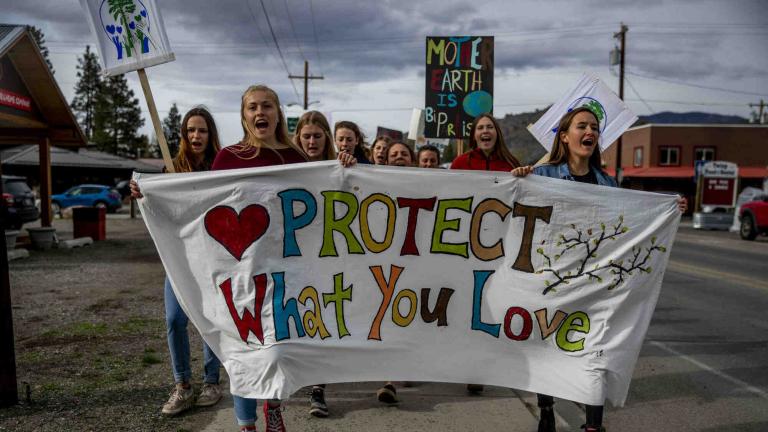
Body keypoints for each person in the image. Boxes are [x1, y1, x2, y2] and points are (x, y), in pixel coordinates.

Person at [514, 106, 687, 432]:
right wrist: (522, 180)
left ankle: (593, 425)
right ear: (564, 136)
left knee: (595, 353)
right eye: (582, 126)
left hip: (595, 284)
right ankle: (547, 408)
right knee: (550, 348)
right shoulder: (544, 176)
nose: (590, 131)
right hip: (553, 282)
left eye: (594, 126)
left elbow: (629, 225)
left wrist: (669, 209)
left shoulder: (607, 182)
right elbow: (519, 214)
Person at [130, 106, 224, 416]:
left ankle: (212, 381)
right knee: (174, 320)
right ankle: (183, 385)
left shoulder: (221, 169)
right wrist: (141, 193)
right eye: (190, 130)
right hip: (179, 260)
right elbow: (158, 210)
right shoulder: (171, 171)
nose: (196, 136)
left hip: (211, 259)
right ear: (183, 135)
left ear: (211, 135)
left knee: (209, 319)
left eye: (202, 130)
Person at [293, 110, 355, 418]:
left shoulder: (338, 167)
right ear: (298, 138)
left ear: (326, 139)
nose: (312, 141)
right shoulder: (285, 166)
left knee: (322, 320)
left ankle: (317, 389)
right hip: (291, 255)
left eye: (318, 136)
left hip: (327, 256)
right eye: (306, 136)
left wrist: (353, 171)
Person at [450, 113, 520, 171]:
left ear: (497, 133)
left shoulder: (512, 163)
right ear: (474, 135)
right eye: (480, 128)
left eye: (490, 127)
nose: (485, 131)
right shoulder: (459, 163)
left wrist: (523, 174)